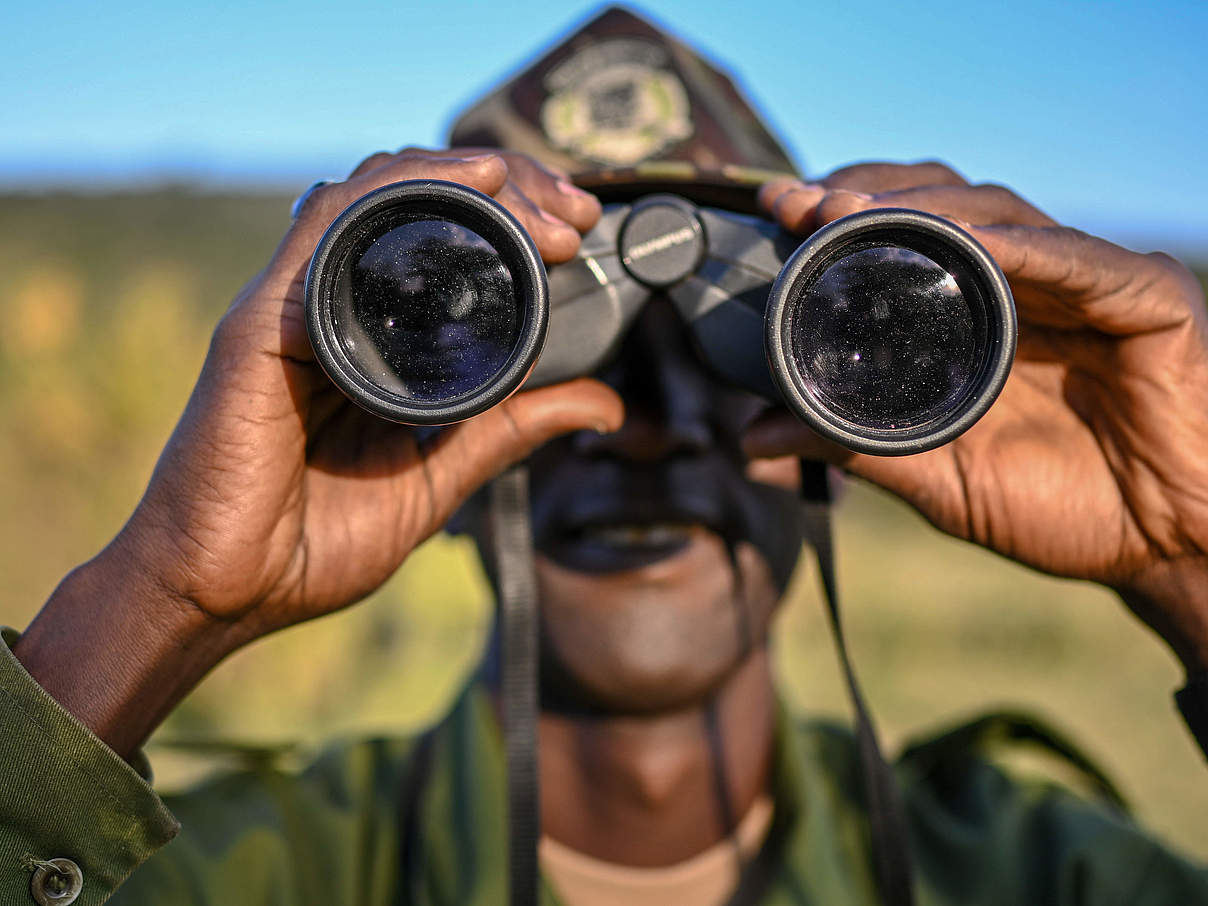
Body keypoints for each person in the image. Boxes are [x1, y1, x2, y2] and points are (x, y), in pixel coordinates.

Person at [3, 7, 1207, 906]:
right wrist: (158, 602)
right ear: (414, 414)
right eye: (533, 348)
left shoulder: (1036, 874)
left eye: (739, 350)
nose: (647, 427)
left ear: (842, 437)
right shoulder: (250, 873)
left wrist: (1186, 558)